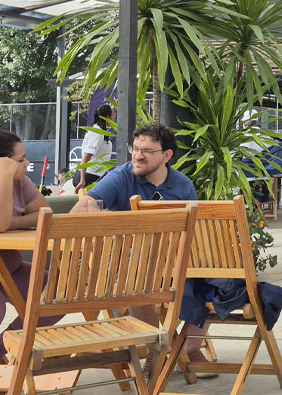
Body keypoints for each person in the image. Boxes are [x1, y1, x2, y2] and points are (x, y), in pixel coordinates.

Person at [70, 123, 215, 378]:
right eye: (135, 149)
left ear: (166, 155)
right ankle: (153, 351)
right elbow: (78, 212)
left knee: (219, 277)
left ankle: (190, 347)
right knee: (136, 276)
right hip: (130, 263)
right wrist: (130, 223)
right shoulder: (121, 176)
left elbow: (193, 229)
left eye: (147, 151)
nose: (137, 155)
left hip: (174, 261)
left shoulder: (183, 185)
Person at [0, 129, 61, 381]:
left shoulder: (21, 181)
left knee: (59, 293)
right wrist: (4, 178)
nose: (27, 163)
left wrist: (8, 222)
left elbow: (44, 213)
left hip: (9, 266)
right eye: (20, 160)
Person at [74, 103, 116, 193]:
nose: (115, 117)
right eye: (113, 115)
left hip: (94, 174)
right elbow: (86, 157)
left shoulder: (100, 131)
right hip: (90, 175)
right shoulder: (97, 133)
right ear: (107, 117)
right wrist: (82, 179)